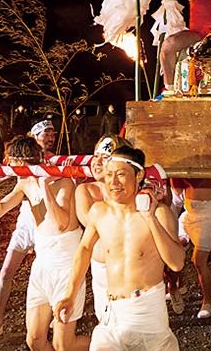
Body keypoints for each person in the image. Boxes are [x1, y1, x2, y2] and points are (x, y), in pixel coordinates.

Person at [55, 146, 185, 351]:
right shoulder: (99, 211)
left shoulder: (160, 214)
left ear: (139, 174)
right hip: (112, 313)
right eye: (108, 175)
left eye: (121, 175)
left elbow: (177, 263)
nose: (113, 182)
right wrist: (70, 294)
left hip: (147, 313)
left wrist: (150, 218)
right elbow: (85, 249)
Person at [0, 135, 90, 351]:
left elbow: (61, 223)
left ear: (20, 162)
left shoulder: (61, 180)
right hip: (41, 264)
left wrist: (43, 186)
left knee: (64, 347)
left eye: (10, 162)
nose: (8, 167)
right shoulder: (24, 183)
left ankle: (113, 345)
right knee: (34, 341)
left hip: (66, 266)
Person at [0, 119, 58, 341]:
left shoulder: (52, 171)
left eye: (52, 134)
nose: (50, 138)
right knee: (6, 272)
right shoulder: (22, 181)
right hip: (26, 224)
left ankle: (54, 320)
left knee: (48, 276)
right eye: (45, 134)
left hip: (48, 229)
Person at [74, 133, 131, 321]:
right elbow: (92, 224)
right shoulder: (85, 190)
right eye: (95, 156)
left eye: (105, 158)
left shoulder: (133, 189)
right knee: (106, 324)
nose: (97, 162)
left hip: (129, 268)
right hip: (101, 269)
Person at [170, 177, 211, 318]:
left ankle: (207, 301)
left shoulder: (207, 162)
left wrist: (179, 172)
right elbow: (178, 191)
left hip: (206, 215)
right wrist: (175, 175)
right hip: (189, 212)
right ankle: (177, 287)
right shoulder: (185, 167)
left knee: (199, 261)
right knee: (173, 247)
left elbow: (196, 181)